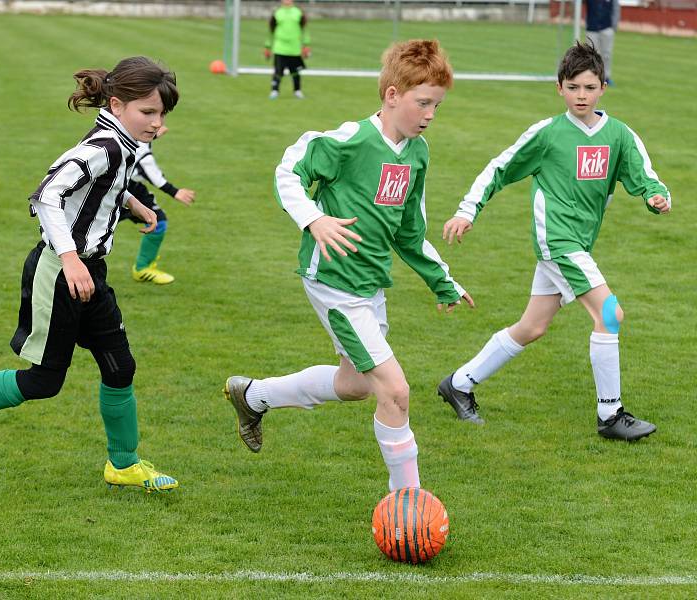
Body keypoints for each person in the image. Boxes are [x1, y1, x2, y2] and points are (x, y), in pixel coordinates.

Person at [0, 56, 182, 492]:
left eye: (162, 114)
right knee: (44, 381)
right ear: (117, 105)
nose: (157, 123)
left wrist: (132, 205)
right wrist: (72, 258)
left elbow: (104, 186)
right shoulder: (103, 148)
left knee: (120, 367)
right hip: (61, 271)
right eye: (148, 112)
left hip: (90, 272)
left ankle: (124, 464)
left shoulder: (121, 142)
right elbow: (47, 195)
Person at [225, 40, 473, 492]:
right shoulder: (351, 140)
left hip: (369, 284)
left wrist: (442, 282)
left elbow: (409, 231)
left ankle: (254, 395)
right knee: (395, 391)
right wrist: (314, 218)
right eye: (423, 103)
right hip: (335, 281)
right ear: (392, 94)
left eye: (437, 104)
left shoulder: (417, 153)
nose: (431, 114)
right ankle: (408, 503)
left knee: (356, 384)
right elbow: (290, 168)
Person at [438, 41, 670, 441]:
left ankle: (459, 383)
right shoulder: (547, 134)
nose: (582, 95)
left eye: (590, 87)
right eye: (573, 87)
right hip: (557, 241)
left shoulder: (619, 135)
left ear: (603, 87)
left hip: (579, 243)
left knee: (532, 327)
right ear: (559, 88)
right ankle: (610, 415)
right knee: (610, 314)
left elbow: (644, 175)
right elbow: (500, 167)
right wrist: (466, 210)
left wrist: (656, 197)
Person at [120, 126, 196, 285]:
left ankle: (142, 268)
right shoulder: (142, 151)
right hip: (119, 189)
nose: (157, 123)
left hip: (131, 187)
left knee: (158, 222)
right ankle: (68, 261)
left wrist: (152, 136)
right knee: (94, 228)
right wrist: (175, 192)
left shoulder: (130, 131)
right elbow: (150, 171)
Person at [264, 0, 311, 100]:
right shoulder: (277, 13)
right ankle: (274, 91)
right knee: (278, 72)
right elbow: (270, 31)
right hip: (280, 48)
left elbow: (305, 30)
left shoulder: (299, 13)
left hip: (294, 49)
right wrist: (267, 46)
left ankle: (297, 91)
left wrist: (306, 45)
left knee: (295, 72)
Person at [585, 0, 620, 85]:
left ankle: (606, 77)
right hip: (592, 29)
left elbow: (616, 8)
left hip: (607, 28)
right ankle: (592, 77)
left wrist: (614, 26)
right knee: (591, 54)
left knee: (607, 54)